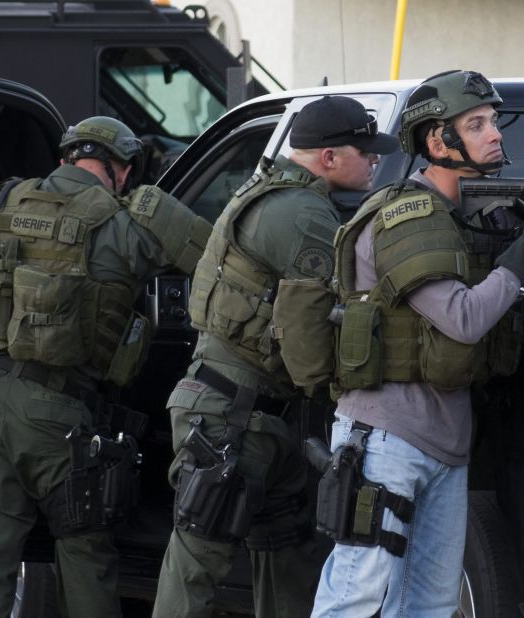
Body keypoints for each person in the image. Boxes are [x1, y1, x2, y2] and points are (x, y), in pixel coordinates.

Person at [310, 70, 524, 616]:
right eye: (477, 124)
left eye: (494, 122)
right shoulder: (406, 218)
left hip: (447, 441)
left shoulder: (479, 215)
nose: (495, 134)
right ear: (437, 141)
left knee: (432, 603)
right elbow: (464, 319)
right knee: (355, 594)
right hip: (388, 440)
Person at [0, 115, 212, 618]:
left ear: (65, 158)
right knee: (85, 554)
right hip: (58, 412)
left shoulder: (1, 203)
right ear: (122, 170)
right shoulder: (125, 222)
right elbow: (214, 259)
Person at [150, 95, 399, 618]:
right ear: (328, 157)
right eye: (365, 150)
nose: (376, 160)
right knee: (199, 561)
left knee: (285, 563)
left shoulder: (273, 191)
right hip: (234, 415)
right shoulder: (302, 213)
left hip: (254, 414)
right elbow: (327, 326)